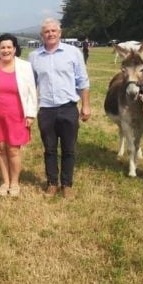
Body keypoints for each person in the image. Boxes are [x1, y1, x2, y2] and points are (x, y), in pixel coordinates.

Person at [28, 18, 91, 199]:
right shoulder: (34, 56)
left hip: (68, 107)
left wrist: (85, 105)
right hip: (46, 109)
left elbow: (83, 81)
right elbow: (31, 85)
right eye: (47, 31)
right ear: (42, 35)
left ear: (60, 33)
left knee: (69, 148)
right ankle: (52, 183)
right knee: (49, 149)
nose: (50, 34)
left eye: (54, 31)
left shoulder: (73, 53)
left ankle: (67, 184)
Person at [0, 33, 37, 197]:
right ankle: (5, 181)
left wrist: (30, 114)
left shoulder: (25, 66)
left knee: (13, 150)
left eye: (9, 47)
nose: (5, 50)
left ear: (15, 49)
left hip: (17, 116)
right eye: (2, 47)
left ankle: (14, 183)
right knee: (1, 150)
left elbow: (32, 92)